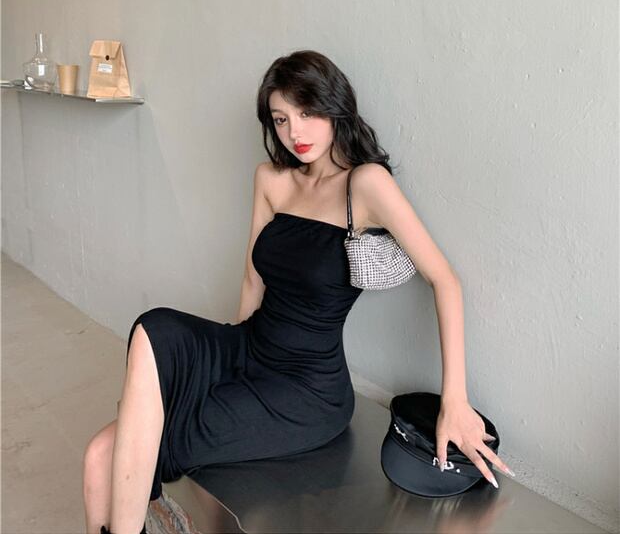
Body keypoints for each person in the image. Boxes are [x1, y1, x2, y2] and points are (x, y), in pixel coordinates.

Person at [82, 50, 512, 534]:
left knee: (106, 453)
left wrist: (455, 400)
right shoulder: (271, 179)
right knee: (152, 329)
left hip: (306, 390)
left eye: (307, 113)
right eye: (281, 119)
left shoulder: (365, 185)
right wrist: (228, 370)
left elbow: (444, 280)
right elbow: (253, 279)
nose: (295, 132)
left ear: (335, 108)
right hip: (250, 346)